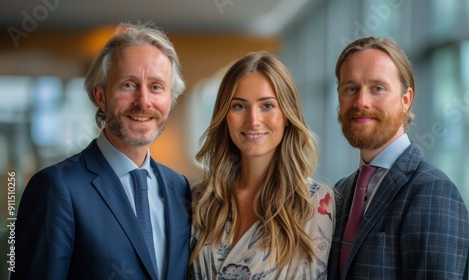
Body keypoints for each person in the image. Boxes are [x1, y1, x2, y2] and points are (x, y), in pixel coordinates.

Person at [11, 21, 191, 280]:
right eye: (128, 85)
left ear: (170, 100)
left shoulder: (180, 188)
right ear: (101, 97)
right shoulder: (56, 188)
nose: (143, 101)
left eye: (156, 87)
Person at [327, 37, 469, 279]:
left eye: (378, 88)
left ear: (406, 100)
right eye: (351, 88)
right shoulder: (340, 192)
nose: (361, 101)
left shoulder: (432, 192)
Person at [189, 51, 335, 279]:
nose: (253, 121)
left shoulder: (314, 203)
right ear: (224, 115)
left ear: (287, 114)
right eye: (239, 106)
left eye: (267, 106)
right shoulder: (202, 197)